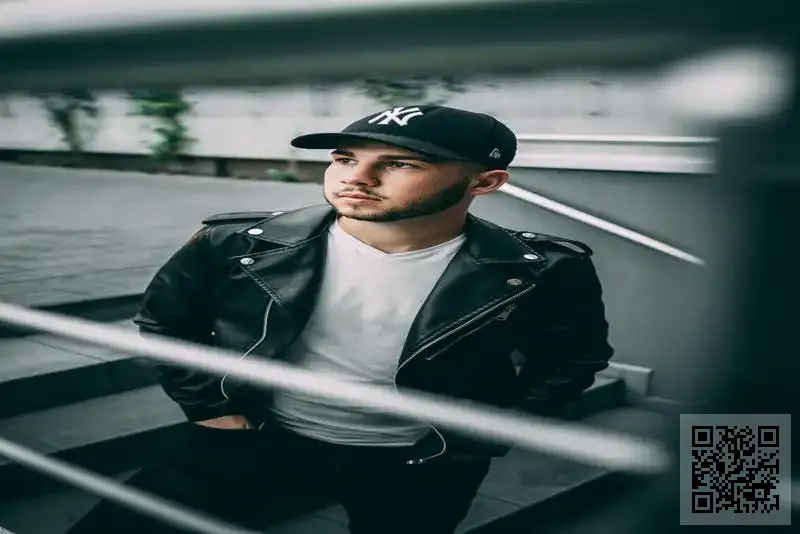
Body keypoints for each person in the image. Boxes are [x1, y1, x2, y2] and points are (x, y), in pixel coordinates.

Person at [67, 105, 614, 534]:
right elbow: (165, 322)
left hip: (420, 459)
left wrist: (482, 437)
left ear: (485, 183)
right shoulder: (237, 243)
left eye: (400, 164)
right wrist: (210, 407)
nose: (357, 177)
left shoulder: (543, 269)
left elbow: (573, 359)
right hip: (256, 433)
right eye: (345, 158)